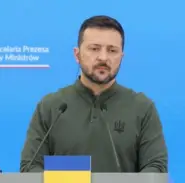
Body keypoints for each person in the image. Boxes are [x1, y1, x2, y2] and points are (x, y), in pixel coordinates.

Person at [20, 15, 168, 173]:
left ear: (121, 57)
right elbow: (30, 167)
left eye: (112, 50)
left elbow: (156, 168)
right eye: (94, 48)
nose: (103, 57)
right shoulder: (51, 107)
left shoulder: (142, 108)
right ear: (77, 55)